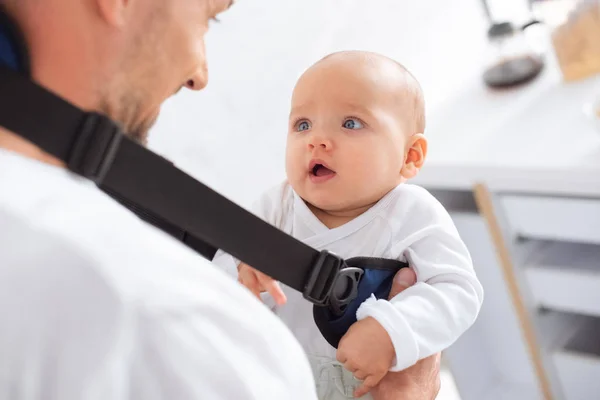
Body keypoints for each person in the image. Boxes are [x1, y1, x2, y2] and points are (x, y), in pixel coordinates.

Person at [0, 0, 441, 399]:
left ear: (410, 155)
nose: (199, 73)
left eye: (351, 123)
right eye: (207, 16)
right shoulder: (165, 323)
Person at [214, 51, 484, 399]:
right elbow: (220, 264)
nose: (316, 140)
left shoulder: (413, 213)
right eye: (303, 125)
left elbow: (458, 292)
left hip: (369, 386)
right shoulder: (277, 205)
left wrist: (392, 330)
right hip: (280, 380)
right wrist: (238, 275)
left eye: (351, 123)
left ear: (409, 156)